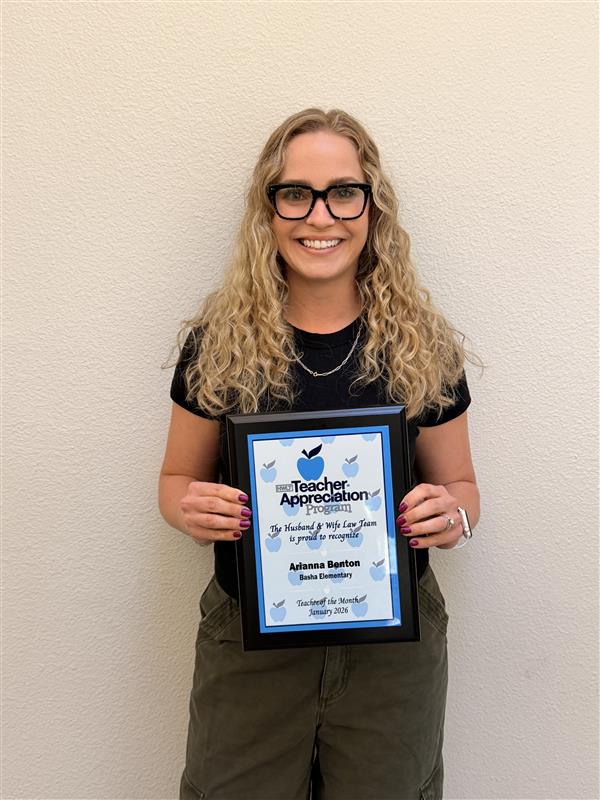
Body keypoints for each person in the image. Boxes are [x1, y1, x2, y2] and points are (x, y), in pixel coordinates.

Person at [159, 108, 480, 800]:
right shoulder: (218, 343)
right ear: (268, 211)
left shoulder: (423, 344)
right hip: (251, 638)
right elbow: (174, 479)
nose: (320, 215)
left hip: (391, 654)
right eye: (295, 193)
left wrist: (451, 517)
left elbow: (461, 489)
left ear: (372, 208)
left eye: (343, 191)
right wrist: (191, 509)